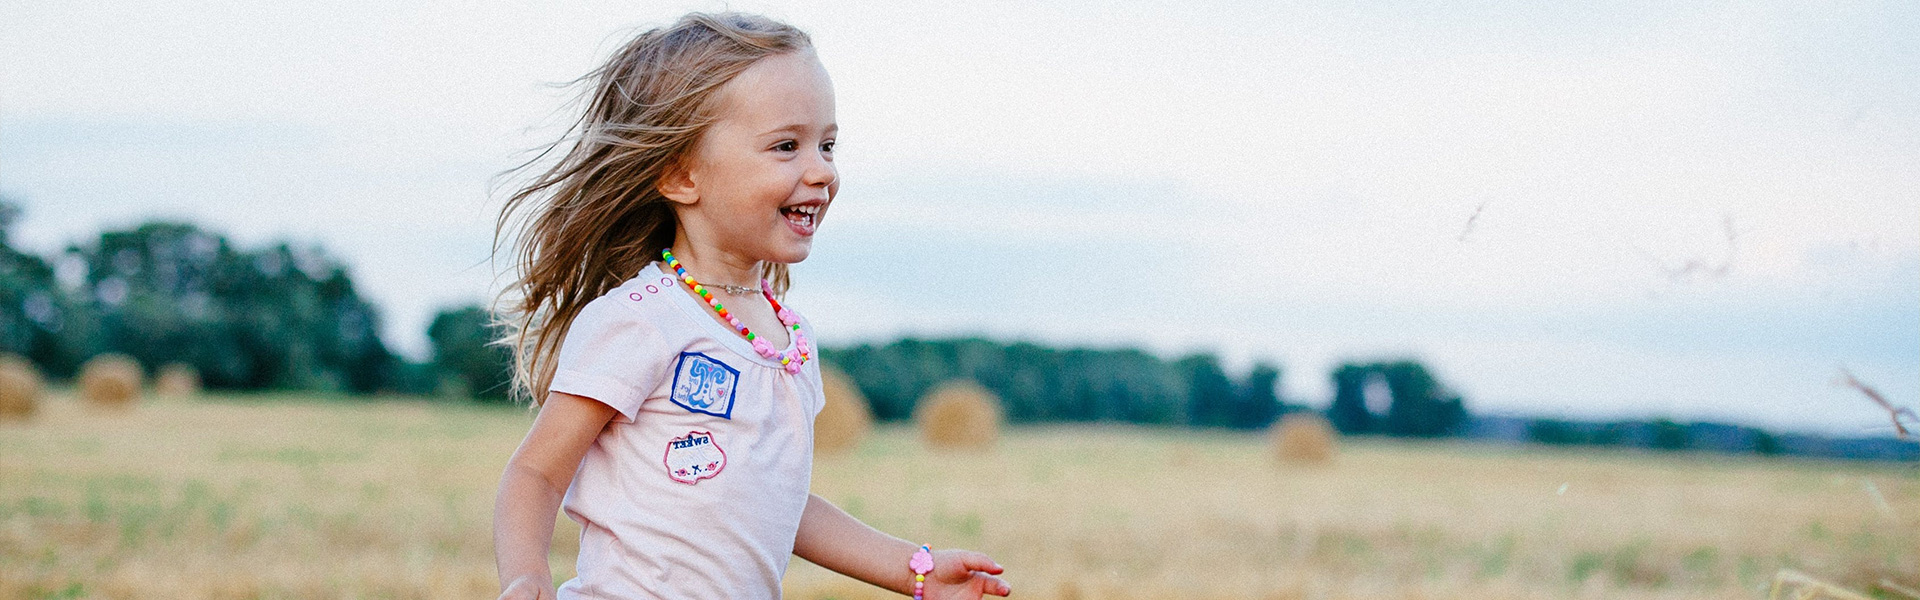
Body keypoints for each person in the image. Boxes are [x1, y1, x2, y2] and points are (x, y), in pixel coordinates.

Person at [489, 12, 1013, 600]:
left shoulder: (793, 341)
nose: (821, 170)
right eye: (787, 146)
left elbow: (777, 502)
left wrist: (912, 567)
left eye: (828, 144)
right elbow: (535, 472)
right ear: (681, 176)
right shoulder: (641, 320)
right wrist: (527, 575)